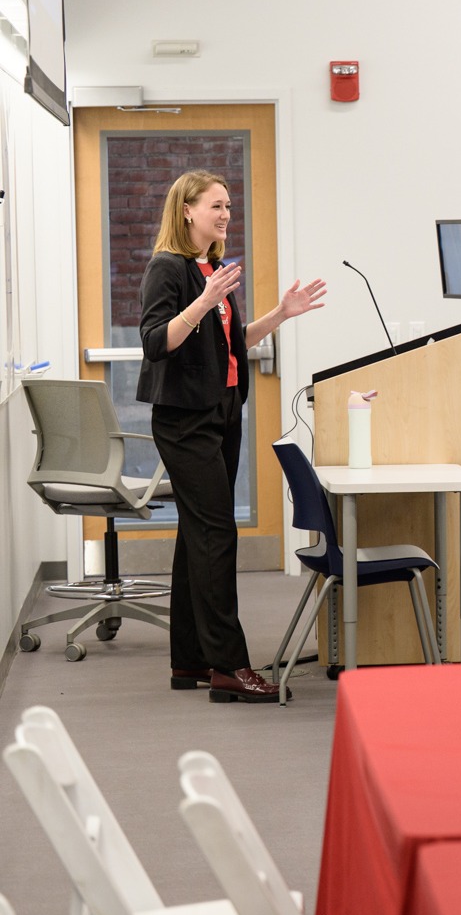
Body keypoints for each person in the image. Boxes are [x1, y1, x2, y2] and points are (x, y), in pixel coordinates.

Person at [137, 170, 327, 703]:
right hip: (184, 420)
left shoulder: (212, 267)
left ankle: (191, 660)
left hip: (221, 412)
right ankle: (229, 667)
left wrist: (280, 316)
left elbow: (228, 343)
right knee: (218, 534)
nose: (224, 214)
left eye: (228, 205)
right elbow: (157, 342)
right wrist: (203, 299)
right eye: (215, 205)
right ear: (187, 212)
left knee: (197, 535)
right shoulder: (168, 268)